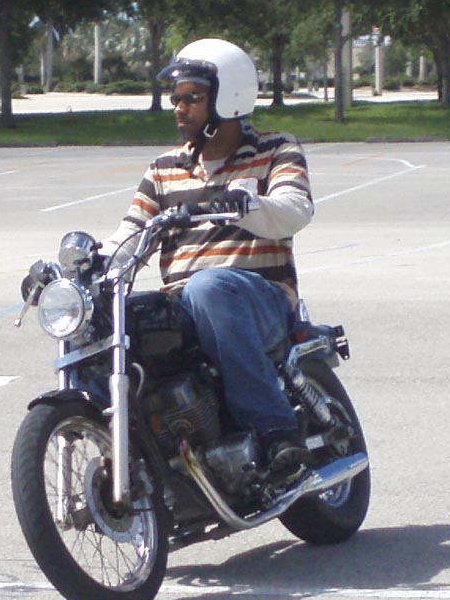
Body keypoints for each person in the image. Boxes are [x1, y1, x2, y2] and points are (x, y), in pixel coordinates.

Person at [104, 38, 315, 477]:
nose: (179, 108)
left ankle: (277, 431)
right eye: (176, 98)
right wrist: (81, 266)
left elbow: (295, 210)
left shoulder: (275, 149)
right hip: (184, 305)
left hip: (259, 300)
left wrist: (249, 204)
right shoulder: (164, 168)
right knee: (122, 317)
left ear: (228, 98)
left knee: (209, 286)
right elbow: (129, 235)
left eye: (192, 98)